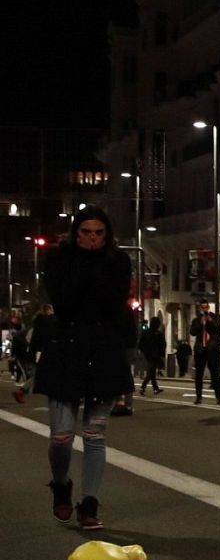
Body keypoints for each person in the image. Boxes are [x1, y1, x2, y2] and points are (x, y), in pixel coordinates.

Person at [33, 207, 135, 530]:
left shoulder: (118, 262)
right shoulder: (59, 259)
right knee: (61, 436)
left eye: (99, 233)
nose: (93, 238)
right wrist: (84, 265)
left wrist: (98, 265)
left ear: (107, 235)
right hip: (66, 352)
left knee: (94, 434)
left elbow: (113, 303)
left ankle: (89, 503)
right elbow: (63, 302)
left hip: (103, 353)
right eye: (86, 232)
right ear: (75, 233)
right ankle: (61, 484)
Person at [190, 299, 220, 405]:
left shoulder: (215, 317)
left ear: (208, 308)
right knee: (199, 374)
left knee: (215, 373)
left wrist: (210, 321)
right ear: (199, 308)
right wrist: (200, 323)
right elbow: (192, 332)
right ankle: (198, 397)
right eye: (202, 308)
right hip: (201, 349)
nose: (204, 309)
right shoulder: (196, 320)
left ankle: (218, 397)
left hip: (212, 349)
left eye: (206, 307)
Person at [138, 314, 166, 395]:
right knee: (151, 371)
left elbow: (140, 344)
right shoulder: (158, 334)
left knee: (152, 371)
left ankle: (153, 388)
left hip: (148, 354)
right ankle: (144, 387)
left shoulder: (146, 333)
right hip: (154, 355)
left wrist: (144, 351)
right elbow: (163, 345)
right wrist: (161, 355)